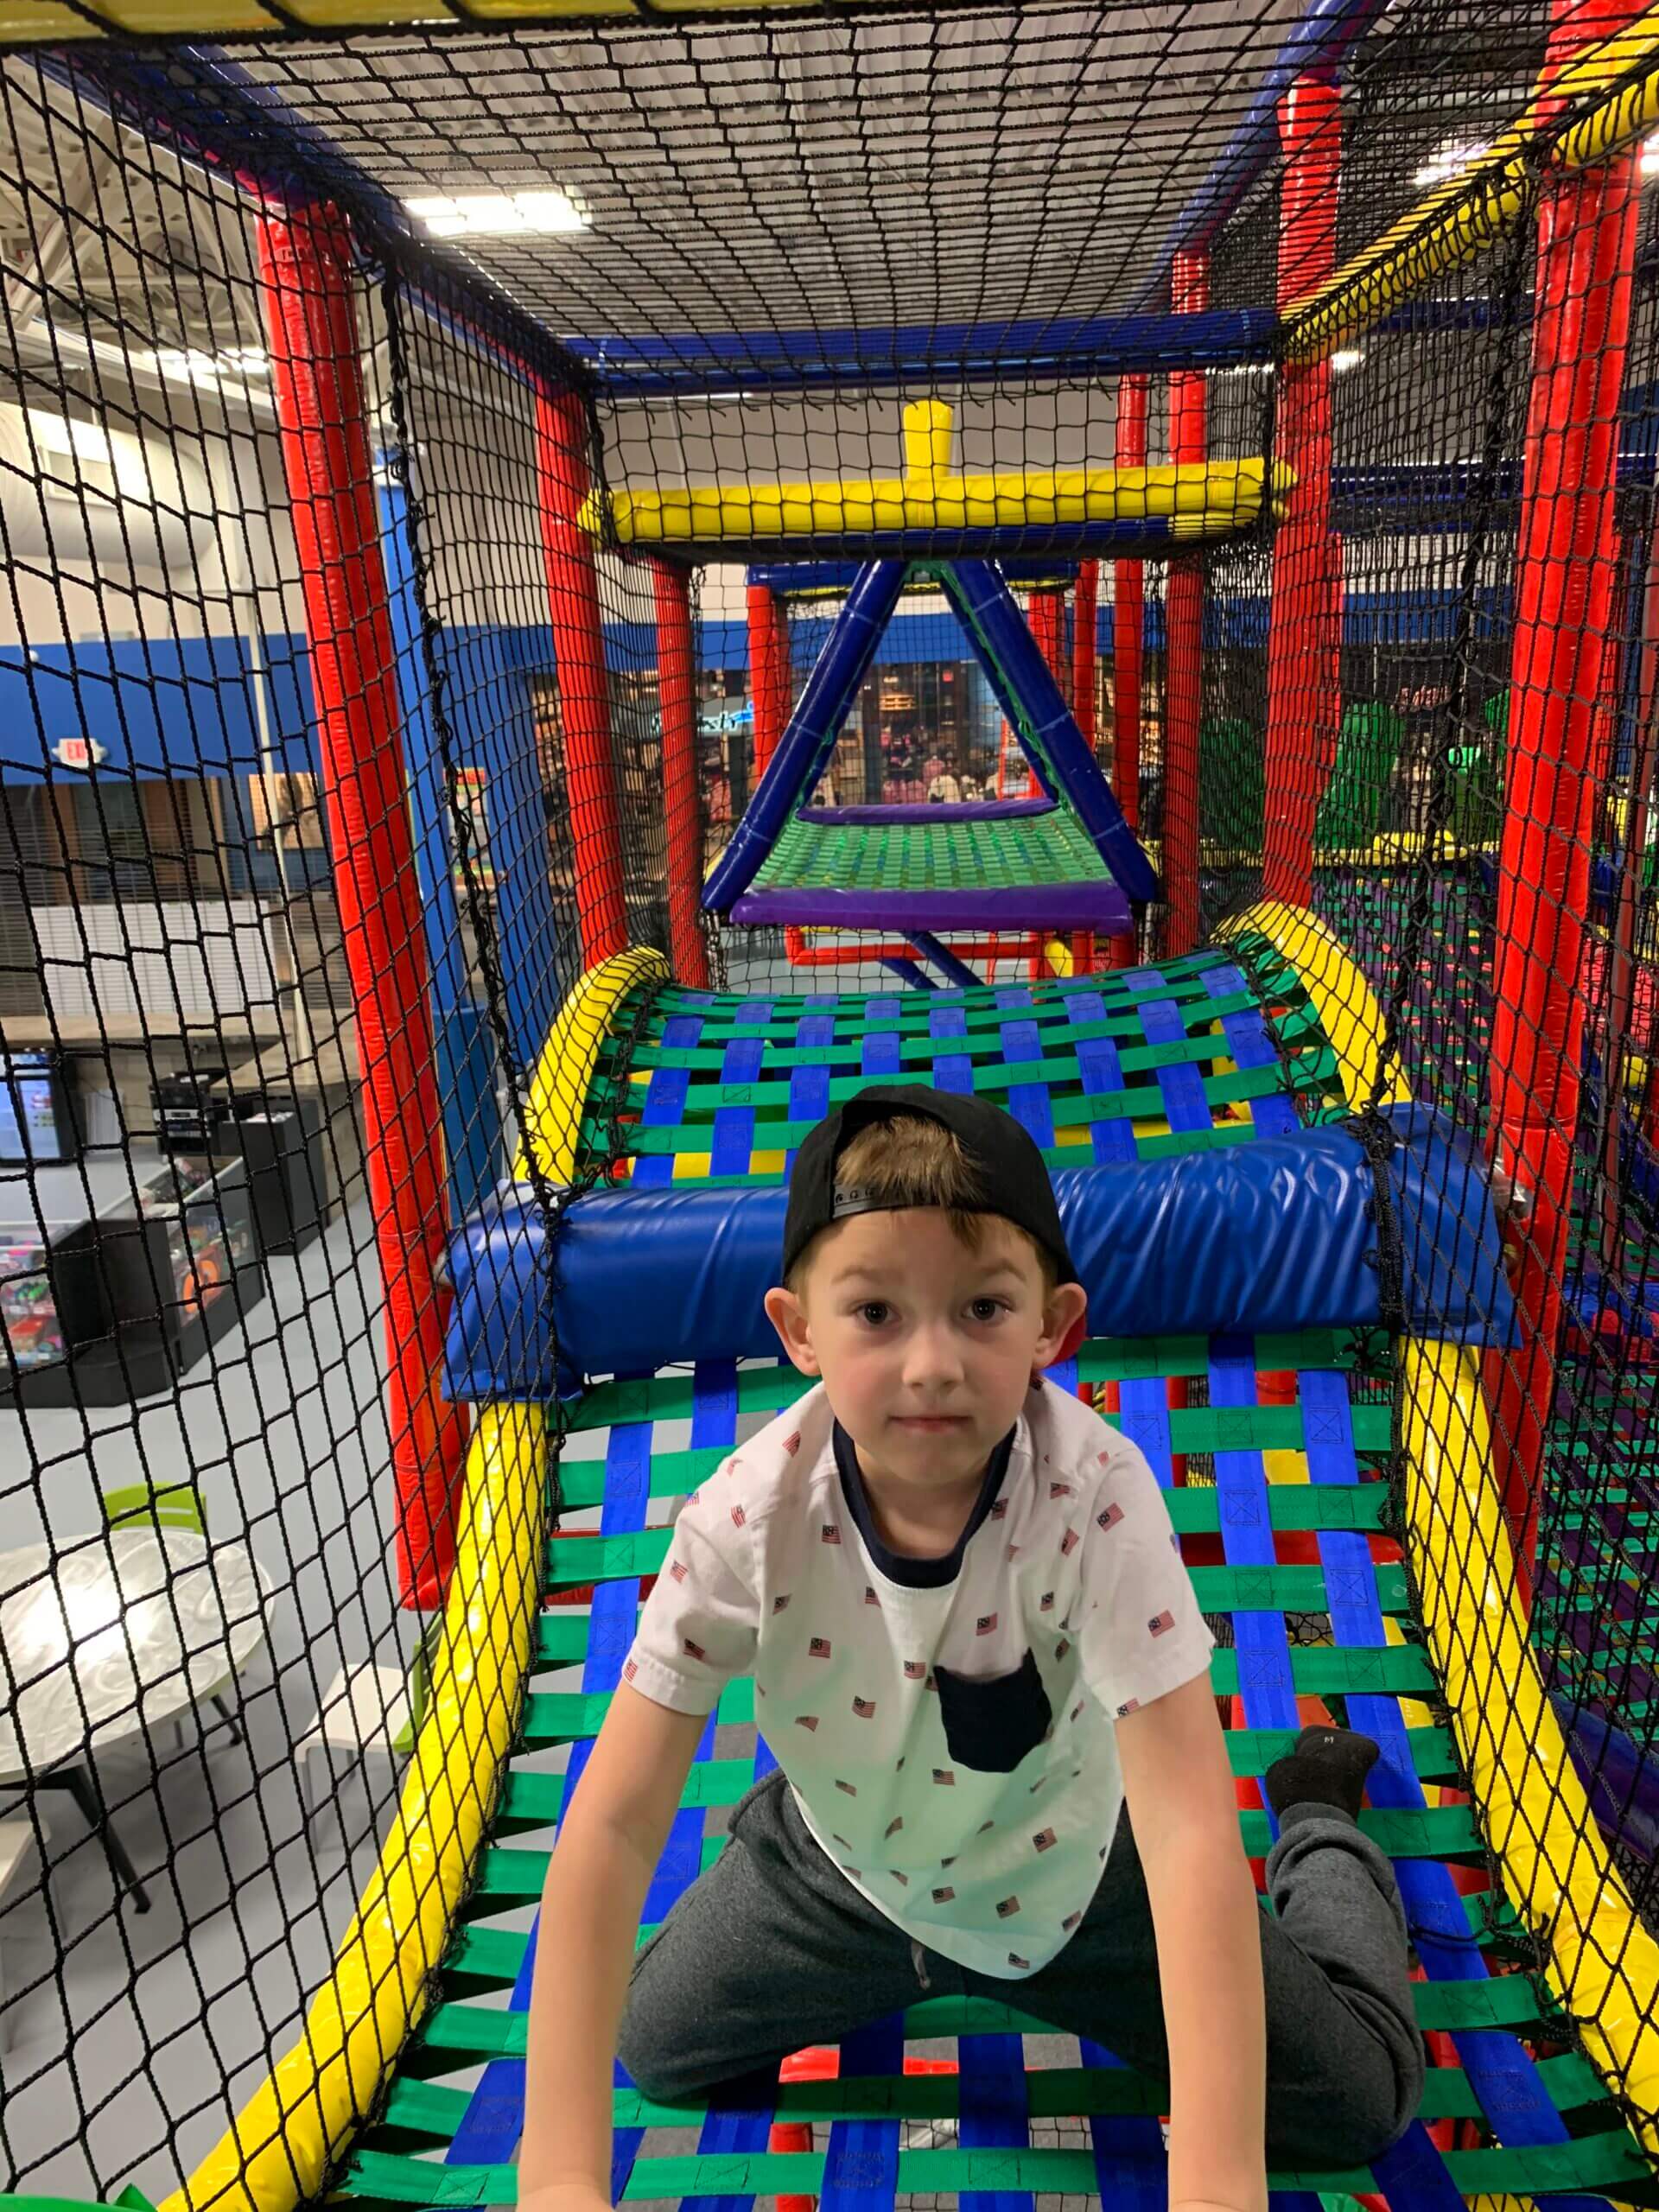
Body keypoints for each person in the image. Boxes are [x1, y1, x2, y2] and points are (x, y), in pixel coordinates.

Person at [520, 1090, 1424, 2212]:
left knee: (1361, 2103)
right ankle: (802, 1840)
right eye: (877, 1314)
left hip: (1081, 1879)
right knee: (655, 2046)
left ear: (1055, 1325)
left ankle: (1321, 1821)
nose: (933, 1363)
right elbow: (611, 1822)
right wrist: (559, 2169)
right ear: (799, 1330)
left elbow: (1189, 1827)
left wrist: (1217, 2169)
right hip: (842, 1878)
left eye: (983, 1309)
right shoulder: (746, 1521)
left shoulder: (1094, 1500)